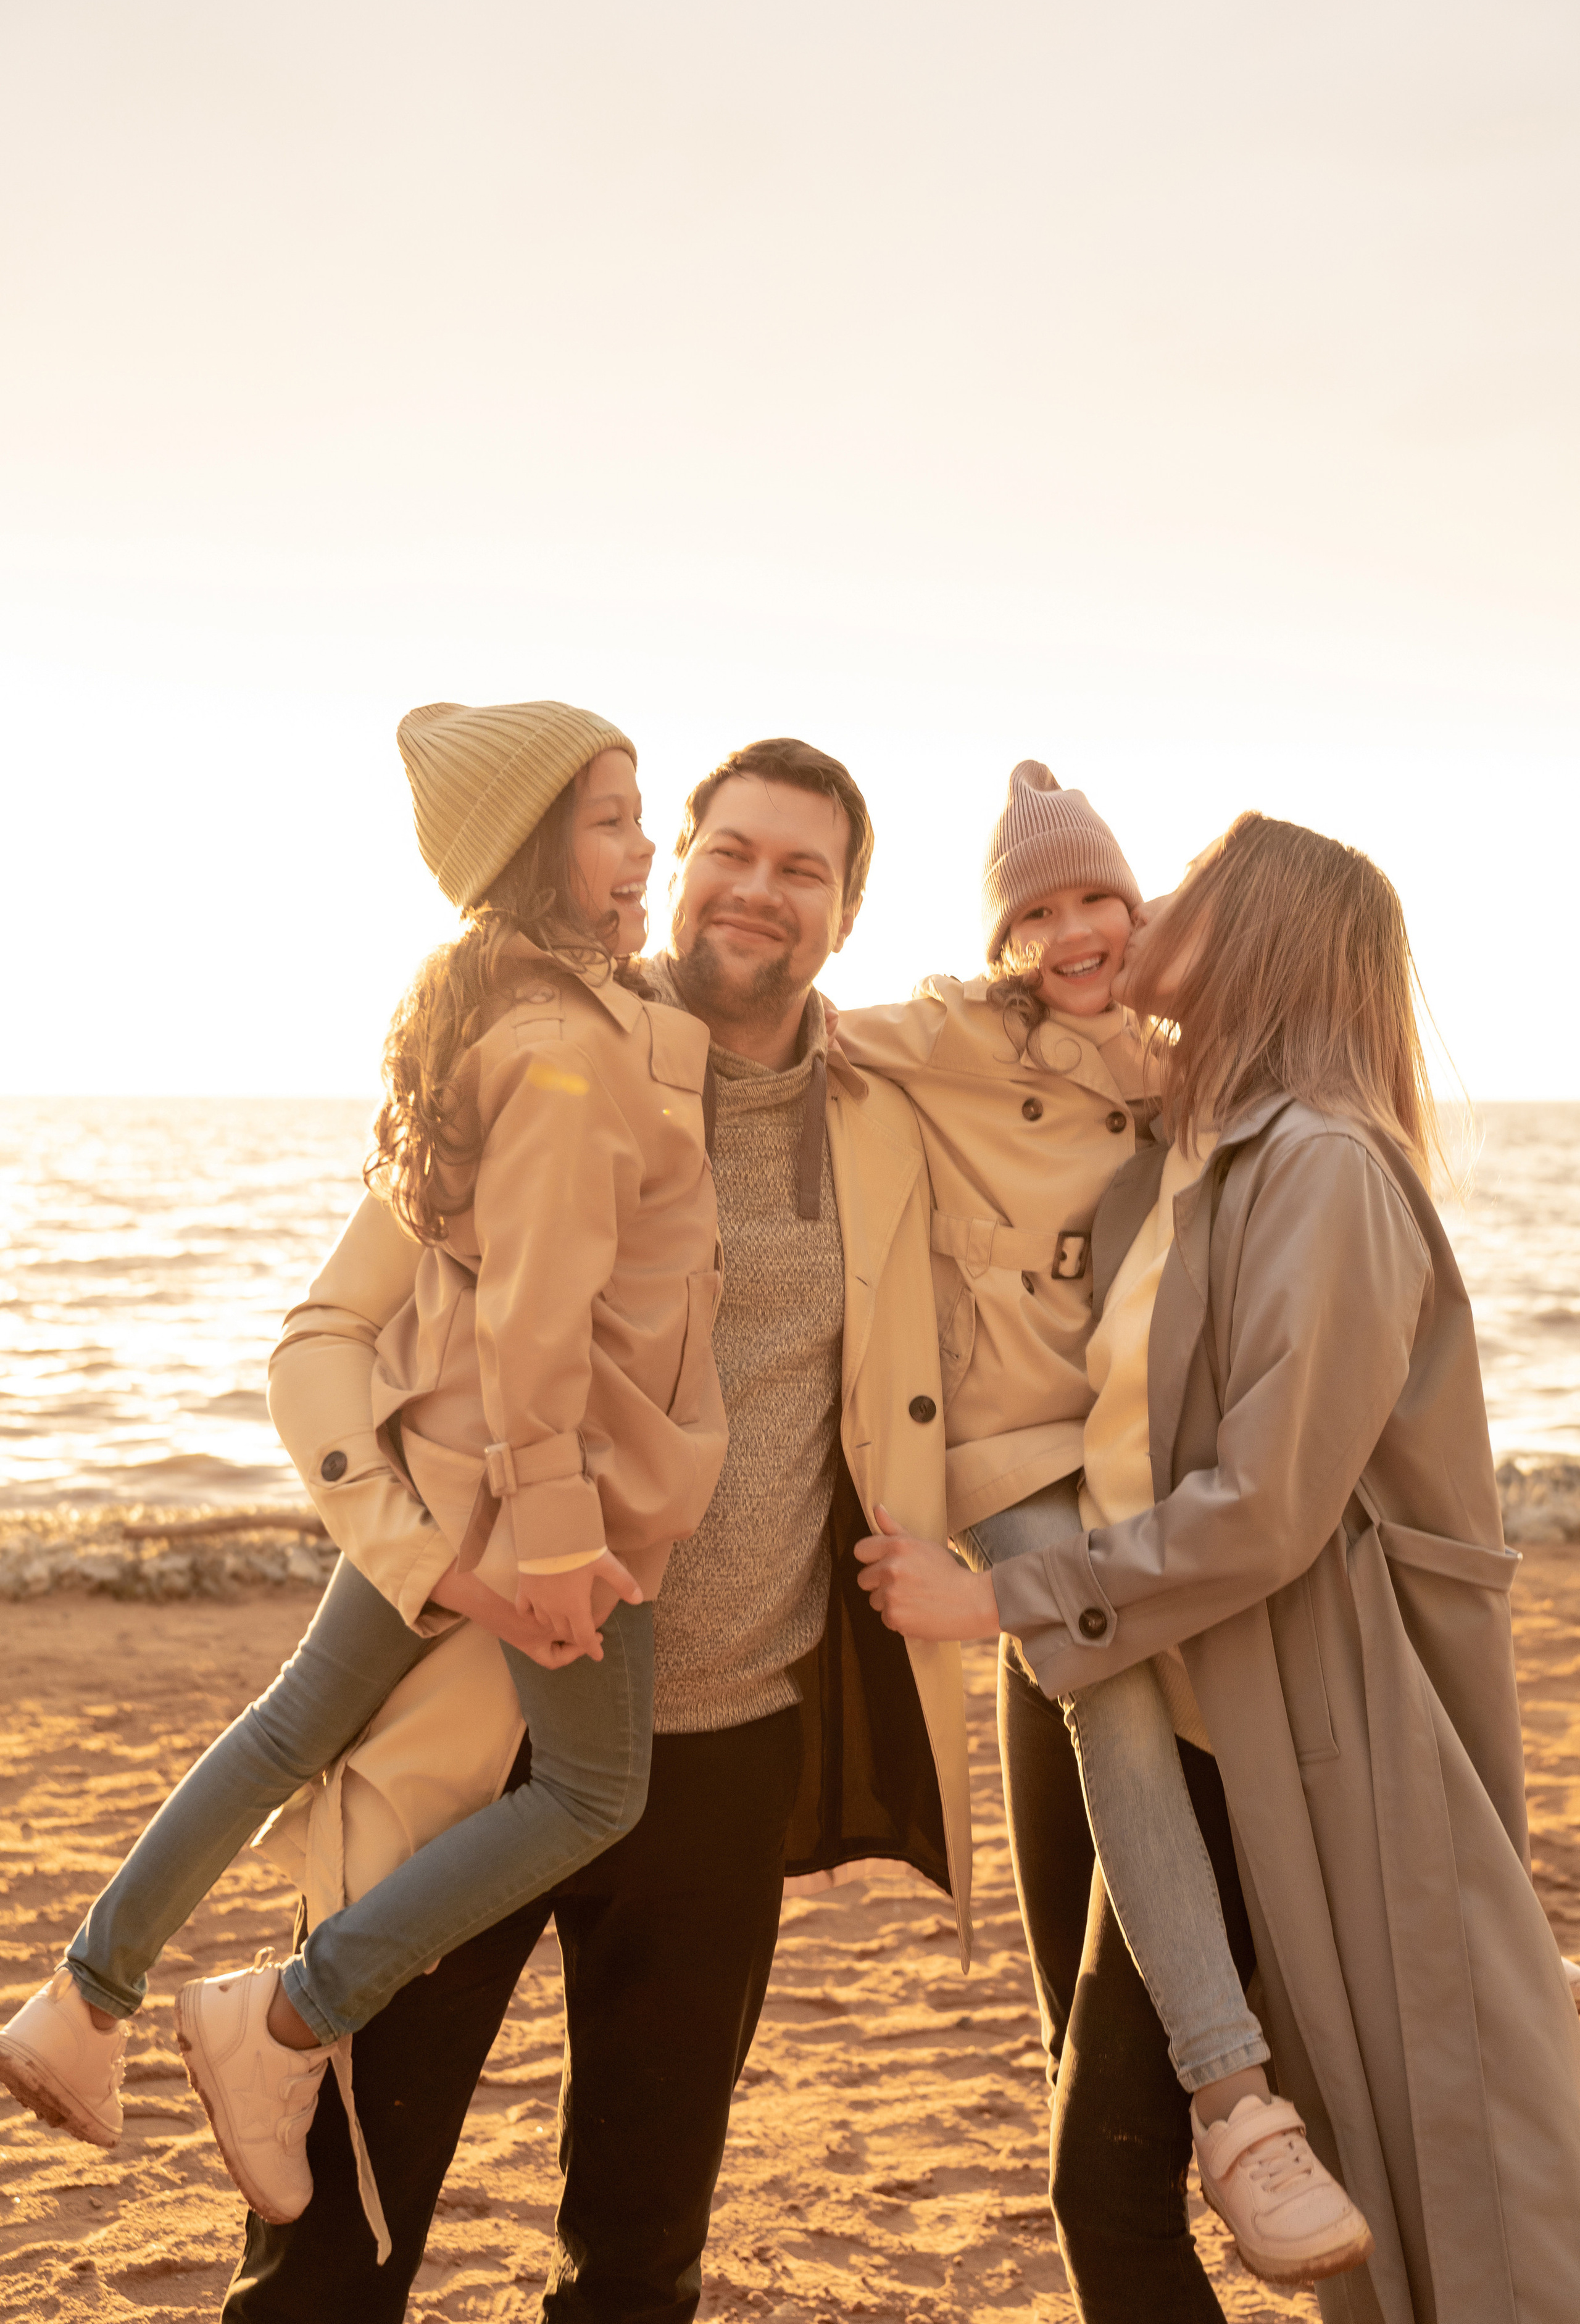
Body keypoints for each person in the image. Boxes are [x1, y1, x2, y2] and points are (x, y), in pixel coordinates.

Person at [218, 736, 973, 2321]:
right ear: (674, 864)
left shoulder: (883, 1119)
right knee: (332, 2247)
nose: (757, 891)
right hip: (478, 1732)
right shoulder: (550, 1052)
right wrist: (431, 1563)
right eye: (730, 851)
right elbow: (320, 1343)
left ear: (847, 912)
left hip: (723, 1753)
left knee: (639, 2261)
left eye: (804, 869)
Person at [0, 701, 730, 2258]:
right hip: (542, 1496)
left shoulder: (502, 1011)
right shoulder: (564, 1053)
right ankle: (285, 2014)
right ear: (533, 851)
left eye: (640, 814)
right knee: (594, 1794)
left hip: (438, 1463)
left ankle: (84, 1994)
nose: (643, 851)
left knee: (289, 1727)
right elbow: (537, 1313)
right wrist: (555, 1538)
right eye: (611, 821)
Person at [857, 811, 1580, 2323]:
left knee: (1112, 2180)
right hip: (1116, 1673)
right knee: (1089, 2102)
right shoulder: (1183, 1147)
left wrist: (996, 1597)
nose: (1142, 903)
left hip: (1240, 1723)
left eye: (1178, 881)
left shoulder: (1324, 1168)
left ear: (1255, 929)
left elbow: (1263, 1509)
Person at [838, 765, 1371, 2288]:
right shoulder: (958, 1032)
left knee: (1104, 1771)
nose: (1073, 932)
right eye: (1035, 913)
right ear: (1000, 940)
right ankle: (1227, 2095)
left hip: (1119, 1457)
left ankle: (1195, 2105)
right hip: (1006, 1458)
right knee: (1111, 1704)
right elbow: (801, 1036)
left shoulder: (1179, 1066)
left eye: (1100, 900)